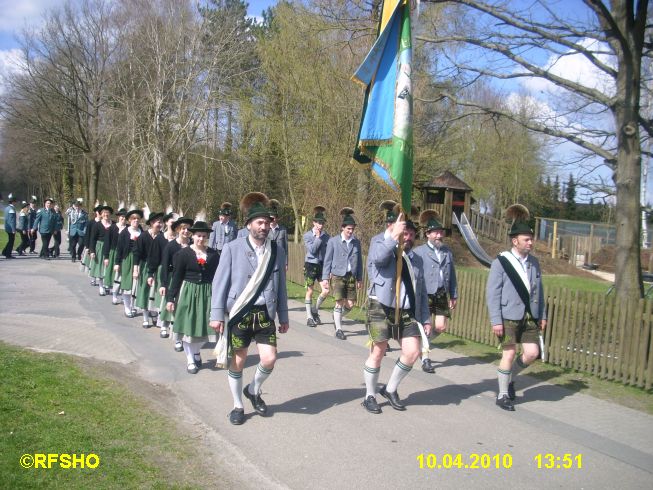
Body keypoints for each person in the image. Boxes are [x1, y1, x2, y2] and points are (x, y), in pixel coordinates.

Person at [210, 192, 289, 426]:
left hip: (265, 313)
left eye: (267, 222)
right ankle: (237, 405)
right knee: (239, 359)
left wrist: (283, 316)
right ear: (249, 225)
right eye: (260, 222)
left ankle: (253, 389)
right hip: (240, 312)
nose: (265, 226)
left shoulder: (276, 250)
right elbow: (220, 282)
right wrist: (216, 314)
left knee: (269, 359)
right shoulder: (232, 248)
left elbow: (281, 286)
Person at [361, 212, 432, 414]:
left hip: (407, 310)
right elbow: (379, 259)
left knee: (412, 352)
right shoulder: (379, 242)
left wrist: (425, 318)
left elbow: (422, 291)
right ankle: (369, 395)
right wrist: (393, 238)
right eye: (405, 233)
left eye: (411, 234)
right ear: (393, 227)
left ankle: (390, 389)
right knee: (378, 352)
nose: (408, 237)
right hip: (380, 306)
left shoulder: (416, 259)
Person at [486, 204, 546, 411]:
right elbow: (492, 293)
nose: (531, 242)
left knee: (531, 353)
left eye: (531, 239)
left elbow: (539, 291)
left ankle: (509, 378)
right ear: (515, 241)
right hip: (507, 315)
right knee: (509, 354)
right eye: (526, 239)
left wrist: (542, 315)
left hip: (529, 316)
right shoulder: (501, 262)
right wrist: (496, 320)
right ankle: (502, 395)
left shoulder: (535, 263)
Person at [166, 220, 219, 374]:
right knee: (188, 328)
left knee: (202, 328)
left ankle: (196, 352)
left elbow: (218, 277)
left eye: (203, 236)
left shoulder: (214, 254)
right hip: (188, 292)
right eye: (198, 236)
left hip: (207, 293)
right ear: (192, 236)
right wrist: (170, 298)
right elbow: (176, 277)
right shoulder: (183, 254)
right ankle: (190, 359)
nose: (201, 239)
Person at [413, 210, 458, 373]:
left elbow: (452, 274)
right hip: (424, 294)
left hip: (441, 293)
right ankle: (425, 358)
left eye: (441, 232)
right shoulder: (419, 252)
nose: (439, 235)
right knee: (426, 326)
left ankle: (421, 345)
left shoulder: (447, 252)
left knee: (440, 327)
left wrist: (453, 294)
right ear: (428, 234)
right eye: (436, 232)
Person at [321, 207, 363, 340]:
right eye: (348, 229)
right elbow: (327, 260)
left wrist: (359, 278)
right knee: (339, 302)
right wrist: (325, 278)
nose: (350, 231)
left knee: (350, 304)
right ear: (342, 228)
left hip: (351, 276)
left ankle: (336, 315)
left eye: (352, 229)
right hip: (337, 274)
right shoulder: (333, 241)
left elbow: (360, 262)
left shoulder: (356, 243)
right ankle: (339, 329)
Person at [159, 217, 193, 344]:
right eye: (183, 228)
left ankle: (179, 335)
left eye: (188, 229)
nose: (186, 231)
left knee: (181, 307)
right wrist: (163, 283)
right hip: (173, 278)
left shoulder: (192, 245)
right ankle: (165, 326)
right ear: (178, 229)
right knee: (170, 304)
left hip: (187, 281)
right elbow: (164, 265)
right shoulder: (171, 246)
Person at [133, 210, 164, 328]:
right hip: (145, 266)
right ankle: (145, 317)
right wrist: (136, 270)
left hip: (158, 268)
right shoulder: (143, 236)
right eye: (157, 222)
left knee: (156, 292)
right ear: (151, 223)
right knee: (145, 291)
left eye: (161, 222)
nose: (159, 224)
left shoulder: (162, 237)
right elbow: (137, 254)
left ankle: (154, 314)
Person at [302, 206, 330, 327]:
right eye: (318, 222)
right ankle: (309, 317)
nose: (320, 225)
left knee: (326, 290)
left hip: (322, 266)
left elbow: (329, 254)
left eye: (322, 223)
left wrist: (329, 269)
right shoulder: (307, 235)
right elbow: (312, 250)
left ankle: (314, 309)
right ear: (314, 222)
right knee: (310, 290)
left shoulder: (327, 237)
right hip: (310, 265)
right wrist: (318, 237)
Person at [114, 209, 143, 317]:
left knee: (136, 285)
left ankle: (133, 306)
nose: (136, 220)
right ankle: (127, 307)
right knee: (127, 285)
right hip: (127, 259)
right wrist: (117, 263)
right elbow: (119, 249)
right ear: (129, 220)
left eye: (137, 219)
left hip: (139, 261)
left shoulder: (142, 232)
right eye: (133, 219)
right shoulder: (124, 233)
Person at [88, 205, 114, 295]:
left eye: (107, 213)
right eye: (104, 213)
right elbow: (93, 239)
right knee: (100, 267)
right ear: (101, 214)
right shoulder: (97, 225)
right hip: (100, 247)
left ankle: (108, 285)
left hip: (111, 248)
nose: (106, 214)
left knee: (109, 267)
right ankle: (101, 286)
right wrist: (92, 251)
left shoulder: (113, 224)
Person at [104, 207, 127, 304]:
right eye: (122, 217)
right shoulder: (112, 228)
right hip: (114, 253)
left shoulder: (128, 229)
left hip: (125, 254)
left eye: (125, 217)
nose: (123, 219)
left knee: (124, 275)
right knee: (115, 275)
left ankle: (123, 295)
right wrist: (106, 257)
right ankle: (114, 294)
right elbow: (107, 243)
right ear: (118, 217)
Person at [268, 199, 288, 265]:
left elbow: (286, 248)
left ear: (276, 218)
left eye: (273, 218)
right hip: (268, 259)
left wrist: (286, 263)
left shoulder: (283, 230)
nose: (272, 220)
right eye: (270, 218)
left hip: (280, 260)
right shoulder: (265, 229)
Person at [3, 194, 17, 259]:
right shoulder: (11, 209)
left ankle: (4, 252)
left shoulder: (6, 208)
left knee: (10, 240)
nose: (16, 203)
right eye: (15, 201)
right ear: (13, 202)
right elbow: (12, 221)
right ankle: (8, 254)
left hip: (7, 227)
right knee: (11, 241)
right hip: (10, 228)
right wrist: (13, 229)